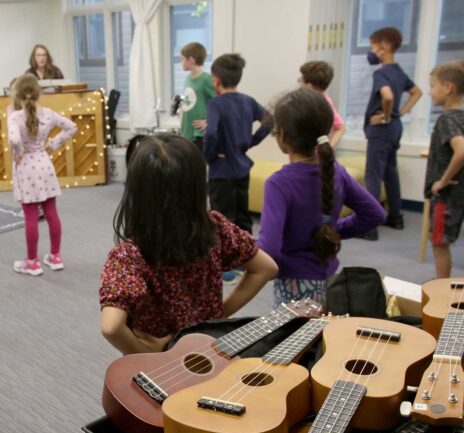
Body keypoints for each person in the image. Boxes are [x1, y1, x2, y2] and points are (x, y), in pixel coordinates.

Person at [99, 134, 277, 355]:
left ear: (136, 191)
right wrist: (217, 319)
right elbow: (266, 267)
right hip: (208, 351)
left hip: (160, 373)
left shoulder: (128, 257)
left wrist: (152, 356)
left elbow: (111, 327)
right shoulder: (215, 228)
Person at [258, 89, 386, 307]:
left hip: (293, 286)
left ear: (283, 137)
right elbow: (375, 214)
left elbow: (269, 250)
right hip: (329, 282)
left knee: (294, 340)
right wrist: (331, 230)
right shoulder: (337, 171)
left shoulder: (278, 183)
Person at [203, 53, 272, 285]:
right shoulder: (247, 101)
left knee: (221, 219)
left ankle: (226, 269)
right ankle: (247, 261)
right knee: (242, 216)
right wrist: (249, 142)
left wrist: (209, 155)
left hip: (221, 171)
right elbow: (269, 120)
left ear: (215, 80)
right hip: (243, 167)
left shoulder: (215, 104)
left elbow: (211, 133)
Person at [8, 74, 77, 276]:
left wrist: (19, 152)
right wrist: (53, 144)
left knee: (31, 216)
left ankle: (32, 262)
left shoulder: (15, 117)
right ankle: (55, 256)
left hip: (27, 168)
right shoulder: (48, 114)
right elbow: (71, 127)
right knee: (51, 213)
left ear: (18, 96)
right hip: (45, 165)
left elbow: (13, 139)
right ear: (38, 93)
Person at [362, 26, 423, 240]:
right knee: (390, 172)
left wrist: (387, 115)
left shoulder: (381, 73)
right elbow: (417, 92)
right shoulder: (399, 71)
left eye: (373, 46)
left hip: (381, 130)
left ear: (385, 47)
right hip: (395, 129)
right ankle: (396, 217)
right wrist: (399, 113)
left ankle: (369, 226)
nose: (371, 51)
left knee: (373, 176)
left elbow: (386, 96)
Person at [424, 61, 464, 279]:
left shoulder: (447, 119)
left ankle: (442, 290)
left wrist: (442, 180)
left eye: (432, 86)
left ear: (448, 87)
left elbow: (461, 151)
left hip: (446, 198)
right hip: (457, 197)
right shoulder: (461, 117)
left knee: (439, 242)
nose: (430, 92)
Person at [299, 60, 345, 147]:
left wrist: (329, 148)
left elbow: (340, 127)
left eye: (301, 81)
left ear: (309, 86)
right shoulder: (306, 100)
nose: (300, 84)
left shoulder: (324, 102)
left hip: (313, 156)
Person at [179, 42, 215, 149]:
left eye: (183, 59)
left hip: (198, 134)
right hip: (186, 131)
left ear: (191, 60)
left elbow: (220, 103)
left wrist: (208, 122)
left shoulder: (206, 79)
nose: (181, 62)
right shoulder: (187, 78)